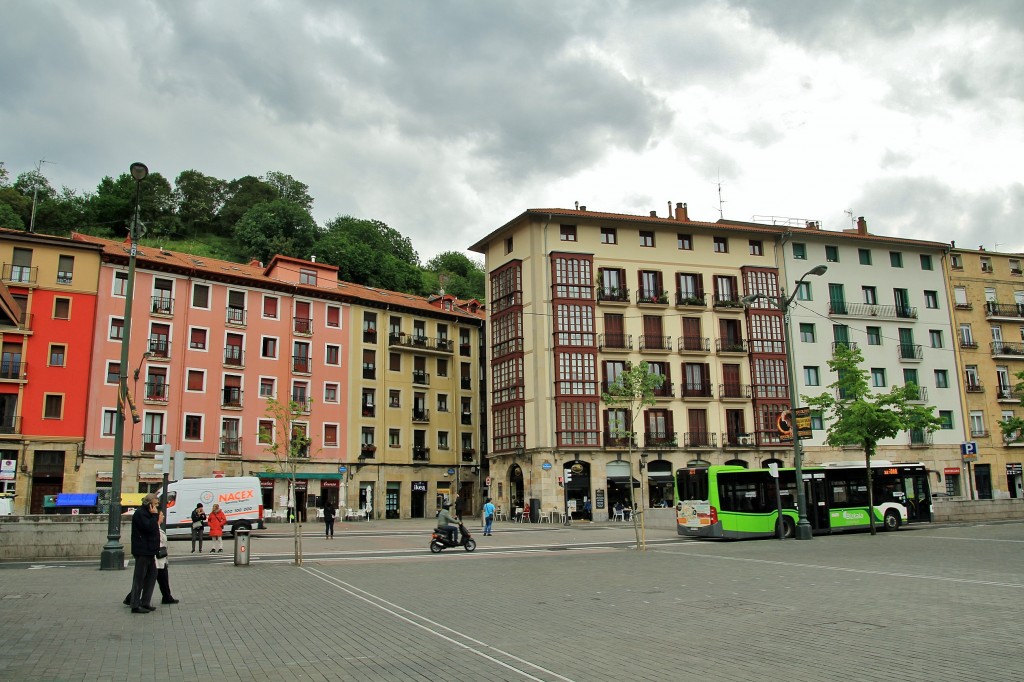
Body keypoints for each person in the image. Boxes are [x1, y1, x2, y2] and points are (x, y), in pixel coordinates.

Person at [125, 524, 178, 606]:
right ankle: (131, 598)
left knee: (162, 578)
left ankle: (167, 596)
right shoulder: (155, 528)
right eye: (161, 515)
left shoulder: (158, 528)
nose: (163, 516)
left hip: (160, 558)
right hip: (156, 557)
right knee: (147, 580)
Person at [127, 493, 160, 614]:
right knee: (139, 578)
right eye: (155, 504)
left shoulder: (147, 514)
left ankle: (145, 601)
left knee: (152, 575)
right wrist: (154, 516)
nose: (157, 506)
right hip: (142, 550)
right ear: (150, 504)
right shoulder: (141, 513)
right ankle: (135, 604)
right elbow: (149, 528)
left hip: (149, 550)